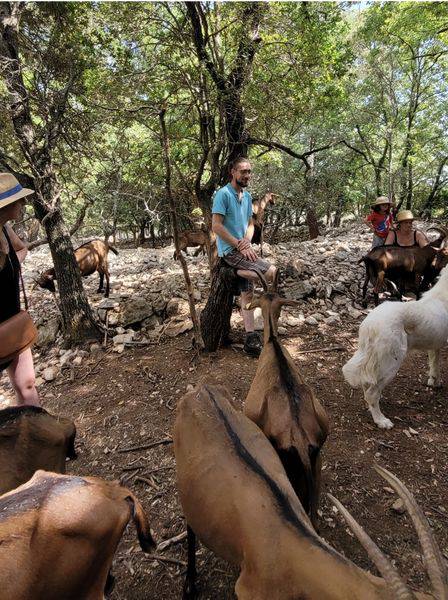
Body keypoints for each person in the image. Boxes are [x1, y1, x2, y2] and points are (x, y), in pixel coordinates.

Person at [211, 157, 277, 357]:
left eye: (249, 171)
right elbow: (216, 226)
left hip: (242, 249)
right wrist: (238, 244)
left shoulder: (247, 197)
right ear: (232, 172)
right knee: (271, 271)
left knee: (247, 293)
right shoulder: (222, 194)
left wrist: (246, 242)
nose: (247, 175)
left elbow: (250, 224)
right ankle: (232, 270)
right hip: (230, 251)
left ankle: (250, 337)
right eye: (242, 171)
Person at [0, 173, 40, 406]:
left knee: (27, 386)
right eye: (18, 200)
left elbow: (21, 249)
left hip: (14, 323)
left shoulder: (5, 229)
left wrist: (13, 265)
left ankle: (34, 437)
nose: (23, 204)